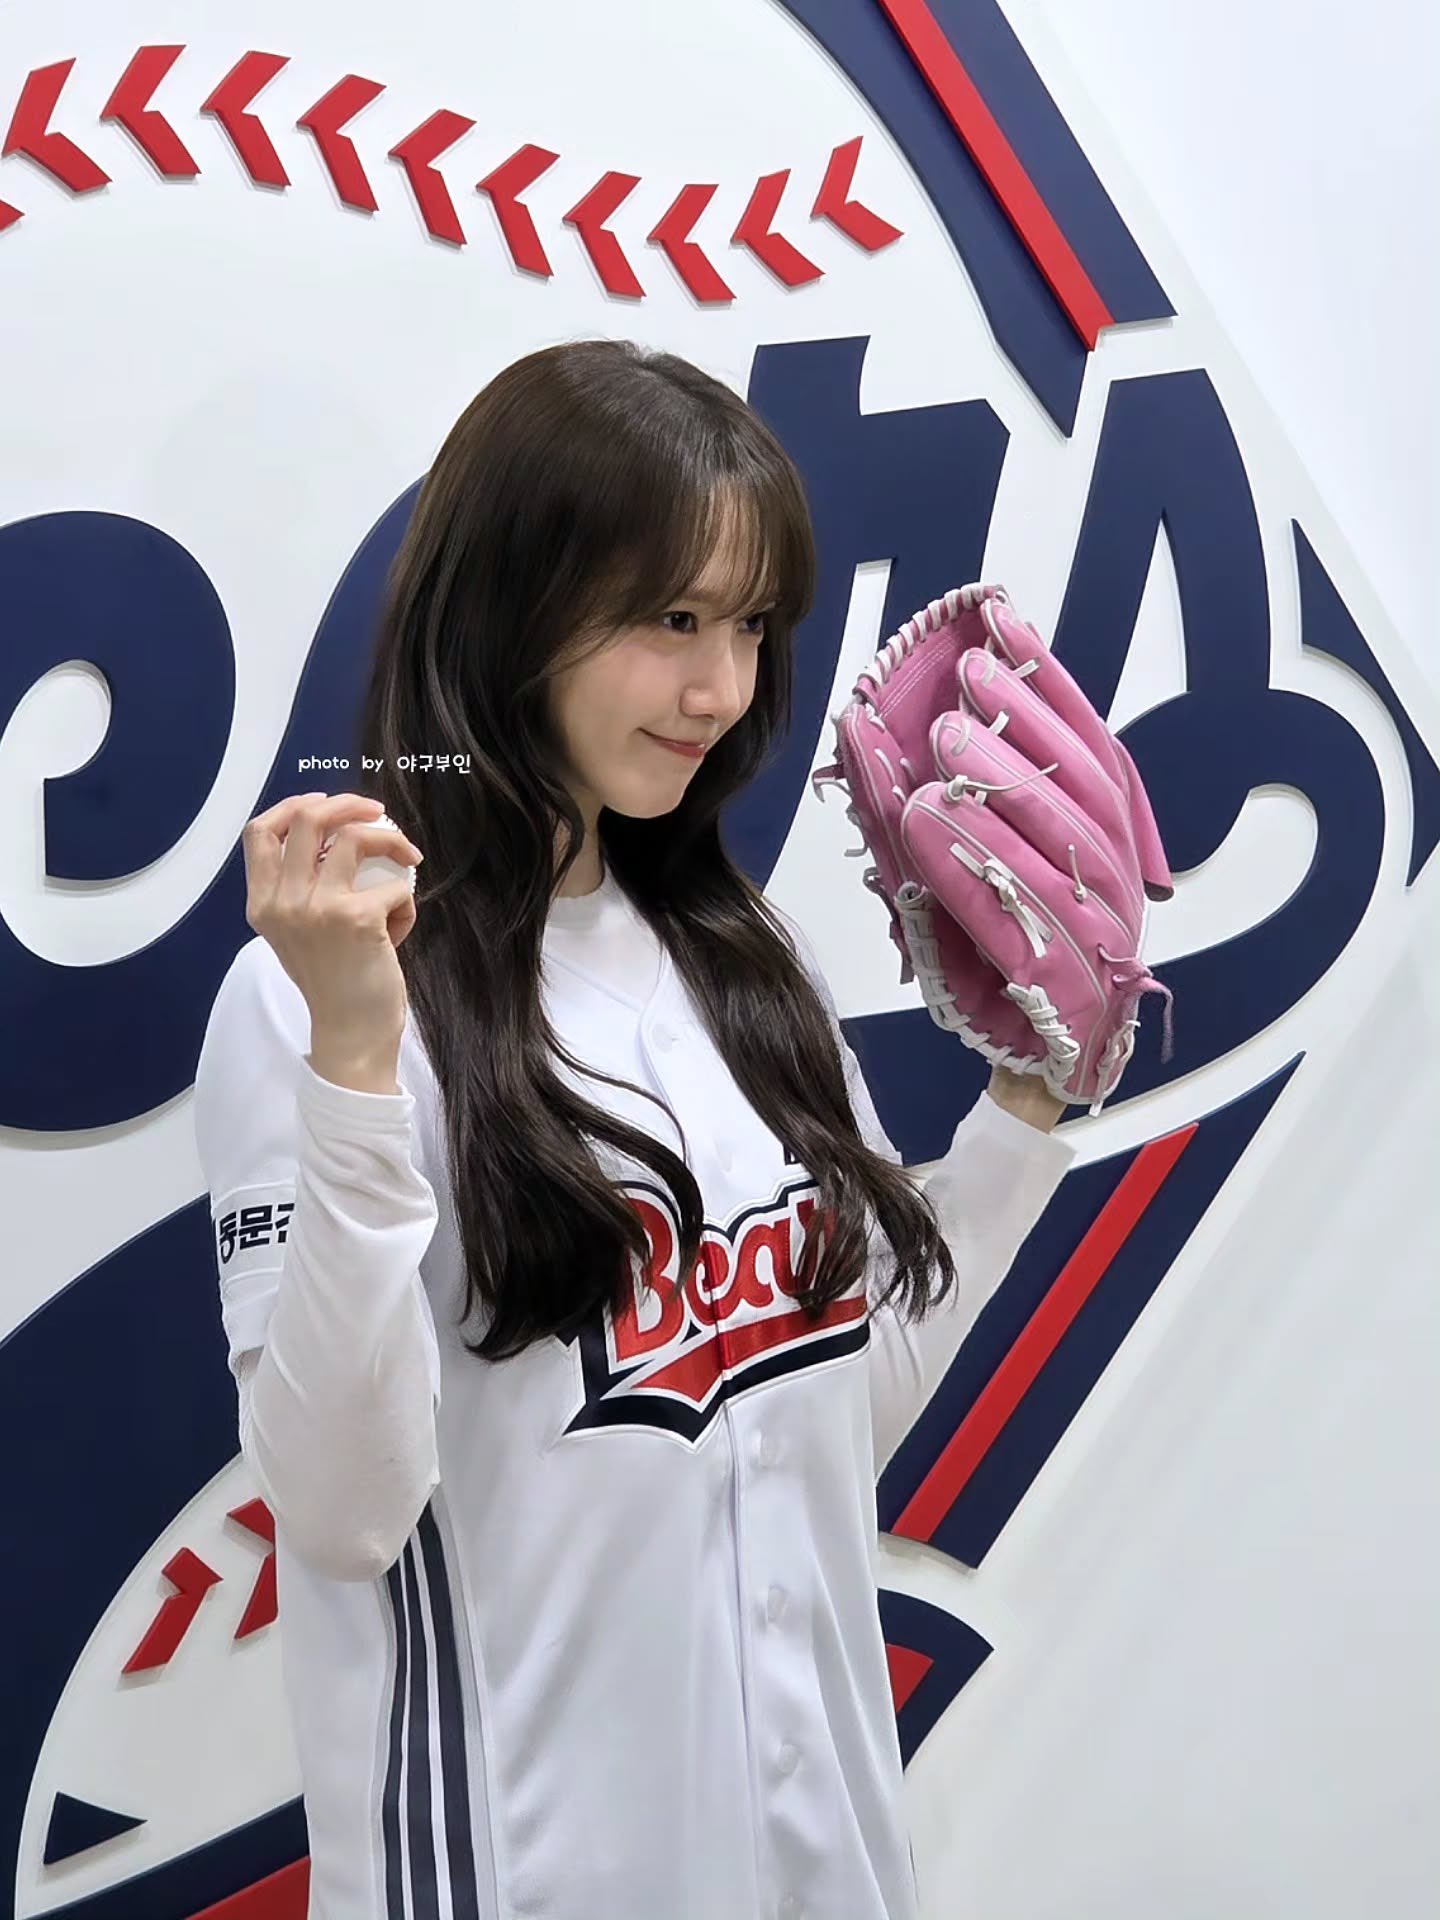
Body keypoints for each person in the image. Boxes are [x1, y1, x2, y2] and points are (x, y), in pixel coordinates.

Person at [193, 337, 1078, 1920]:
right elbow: (339, 1511)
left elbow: (828, 1419)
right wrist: (352, 1059)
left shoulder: (747, 958)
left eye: (750, 624)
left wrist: (1025, 1112)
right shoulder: (315, 1000)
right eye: (671, 618)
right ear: (513, 603)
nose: (720, 689)